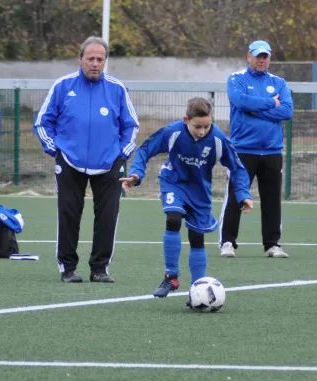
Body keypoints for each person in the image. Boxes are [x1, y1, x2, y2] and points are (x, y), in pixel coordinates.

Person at [120, 97, 254, 300]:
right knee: (173, 219)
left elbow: (237, 167)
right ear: (186, 120)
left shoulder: (218, 139)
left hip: (200, 192)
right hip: (173, 182)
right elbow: (145, 149)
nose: (202, 131)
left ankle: (196, 290)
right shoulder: (172, 132)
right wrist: (137, 174)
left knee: (196, 238)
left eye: (206, 126)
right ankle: (171, 276)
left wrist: (243, 194)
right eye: (197, 126)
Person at [34, 36, 140, 284]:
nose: (95, 63)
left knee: (107, 216)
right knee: (69, 214)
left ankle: (100, 268)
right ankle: (67, 268)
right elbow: (43, 122)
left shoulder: (117, 89)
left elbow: (131, 126)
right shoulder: (63, 86)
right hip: (69, 162)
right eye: (90, 58)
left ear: (105, 61)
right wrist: (55, 150)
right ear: (80, 59)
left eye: (100, 59)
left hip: (109, 163)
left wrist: (122, 154)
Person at [219, 40, 293, 258]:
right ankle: (227, 242)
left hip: (271, 151)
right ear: (248, 56)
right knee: (235, 196)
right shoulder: (236, 79)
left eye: (265, 56)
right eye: (258, 56)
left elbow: (287, 111)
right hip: (243, 150)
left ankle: (272, 244)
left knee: (272, 199)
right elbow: (241, 102)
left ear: (269, 58)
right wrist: (271, 103)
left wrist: (257, 108)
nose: (262, 60)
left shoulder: (279, 82)